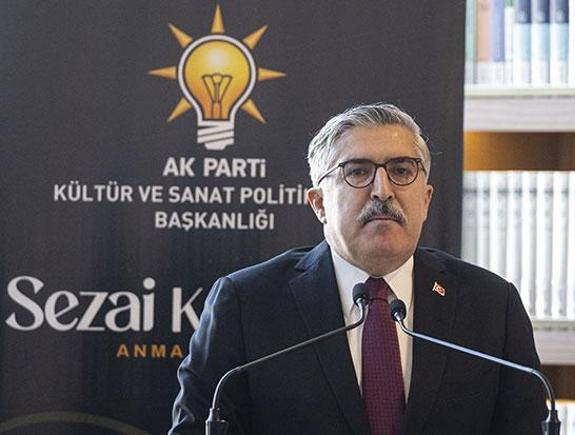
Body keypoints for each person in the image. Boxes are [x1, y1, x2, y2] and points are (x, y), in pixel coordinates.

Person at [170, 103, 546, 434]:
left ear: (426, 199)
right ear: (319, 204)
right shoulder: (247, 303)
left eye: (402, 170)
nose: (382, 190)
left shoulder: (491, 306)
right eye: (358, 172)